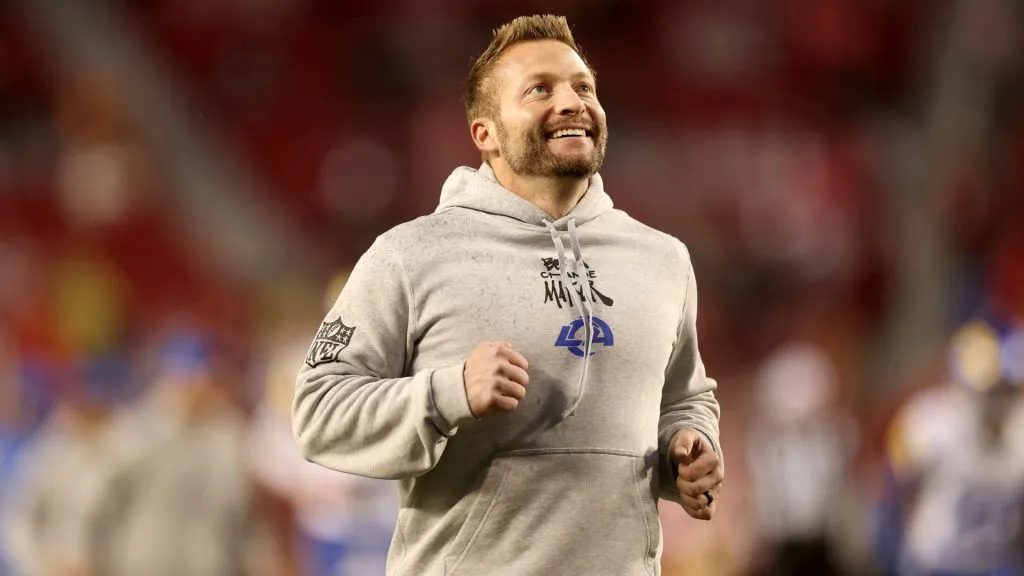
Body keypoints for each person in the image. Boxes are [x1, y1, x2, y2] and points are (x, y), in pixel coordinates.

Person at [293, 14, 723, 576]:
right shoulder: (412, 255)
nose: (572, 102)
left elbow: (685, 398)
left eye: (583, 87)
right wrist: (447, 394)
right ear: (485, 134)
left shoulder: (663, 259)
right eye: (540, 90)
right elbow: (318, 412)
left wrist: (686, 449)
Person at [876, 317, 1024, 576]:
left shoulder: (1018, 429)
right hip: (936, 565)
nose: (1001, 401)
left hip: (997, 565)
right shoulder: (930, 424)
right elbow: (889, 497)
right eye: (994, 391)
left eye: (1008, 390)